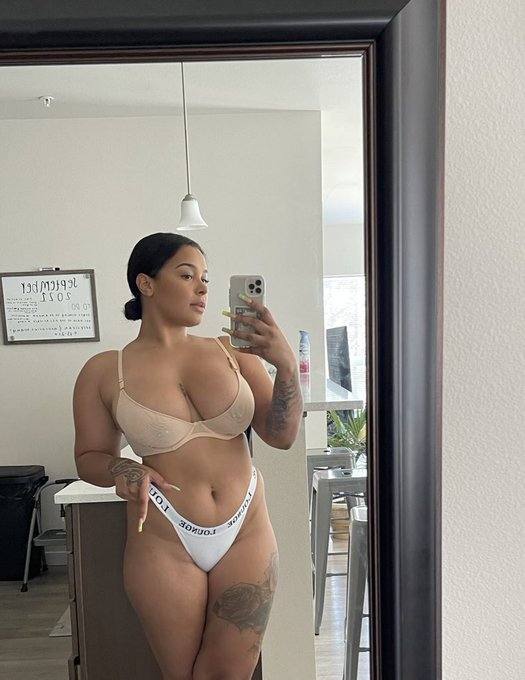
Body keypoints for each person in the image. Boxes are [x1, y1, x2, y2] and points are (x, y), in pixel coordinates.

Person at [72, 232, 303, 680]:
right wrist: (124, 468)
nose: (202, 288)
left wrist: (286, 365)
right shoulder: (104, 370)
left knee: (230, 674)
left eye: (205, 279)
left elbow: (282, 436)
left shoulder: (234, 352)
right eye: (186, 275)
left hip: (246, 528)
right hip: (165, 537)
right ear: (146, 283)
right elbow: (89, 456)